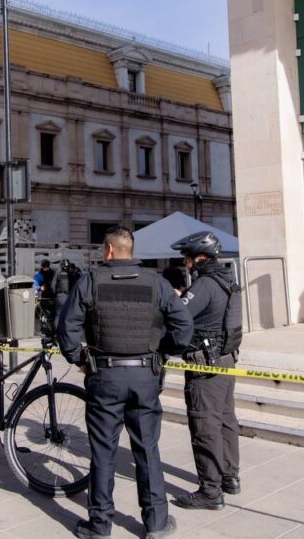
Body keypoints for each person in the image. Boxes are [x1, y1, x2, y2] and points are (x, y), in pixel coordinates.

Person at [58, 226, 193, 539]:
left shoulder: (90, 281)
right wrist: (163, 353)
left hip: (104, 375)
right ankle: (157, 523)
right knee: (147, 449)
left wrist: (79, 359)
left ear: (107, 250)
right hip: (146, 374)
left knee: (103, 451)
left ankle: (100, 525)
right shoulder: (156, 283)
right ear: (130, 250)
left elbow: (68, 329)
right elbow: (184, 327)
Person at [169, 232, 242, 511]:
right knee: (225, 420)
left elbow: (178, 315)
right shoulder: (227, 280)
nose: (186, 264)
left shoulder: (204, 284)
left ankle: (210, 491)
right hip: (226, 360)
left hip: (205, 366)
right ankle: (230, 477)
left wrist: (177, 299)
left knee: (205, 425)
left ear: (199, 258)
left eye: (187, 259)